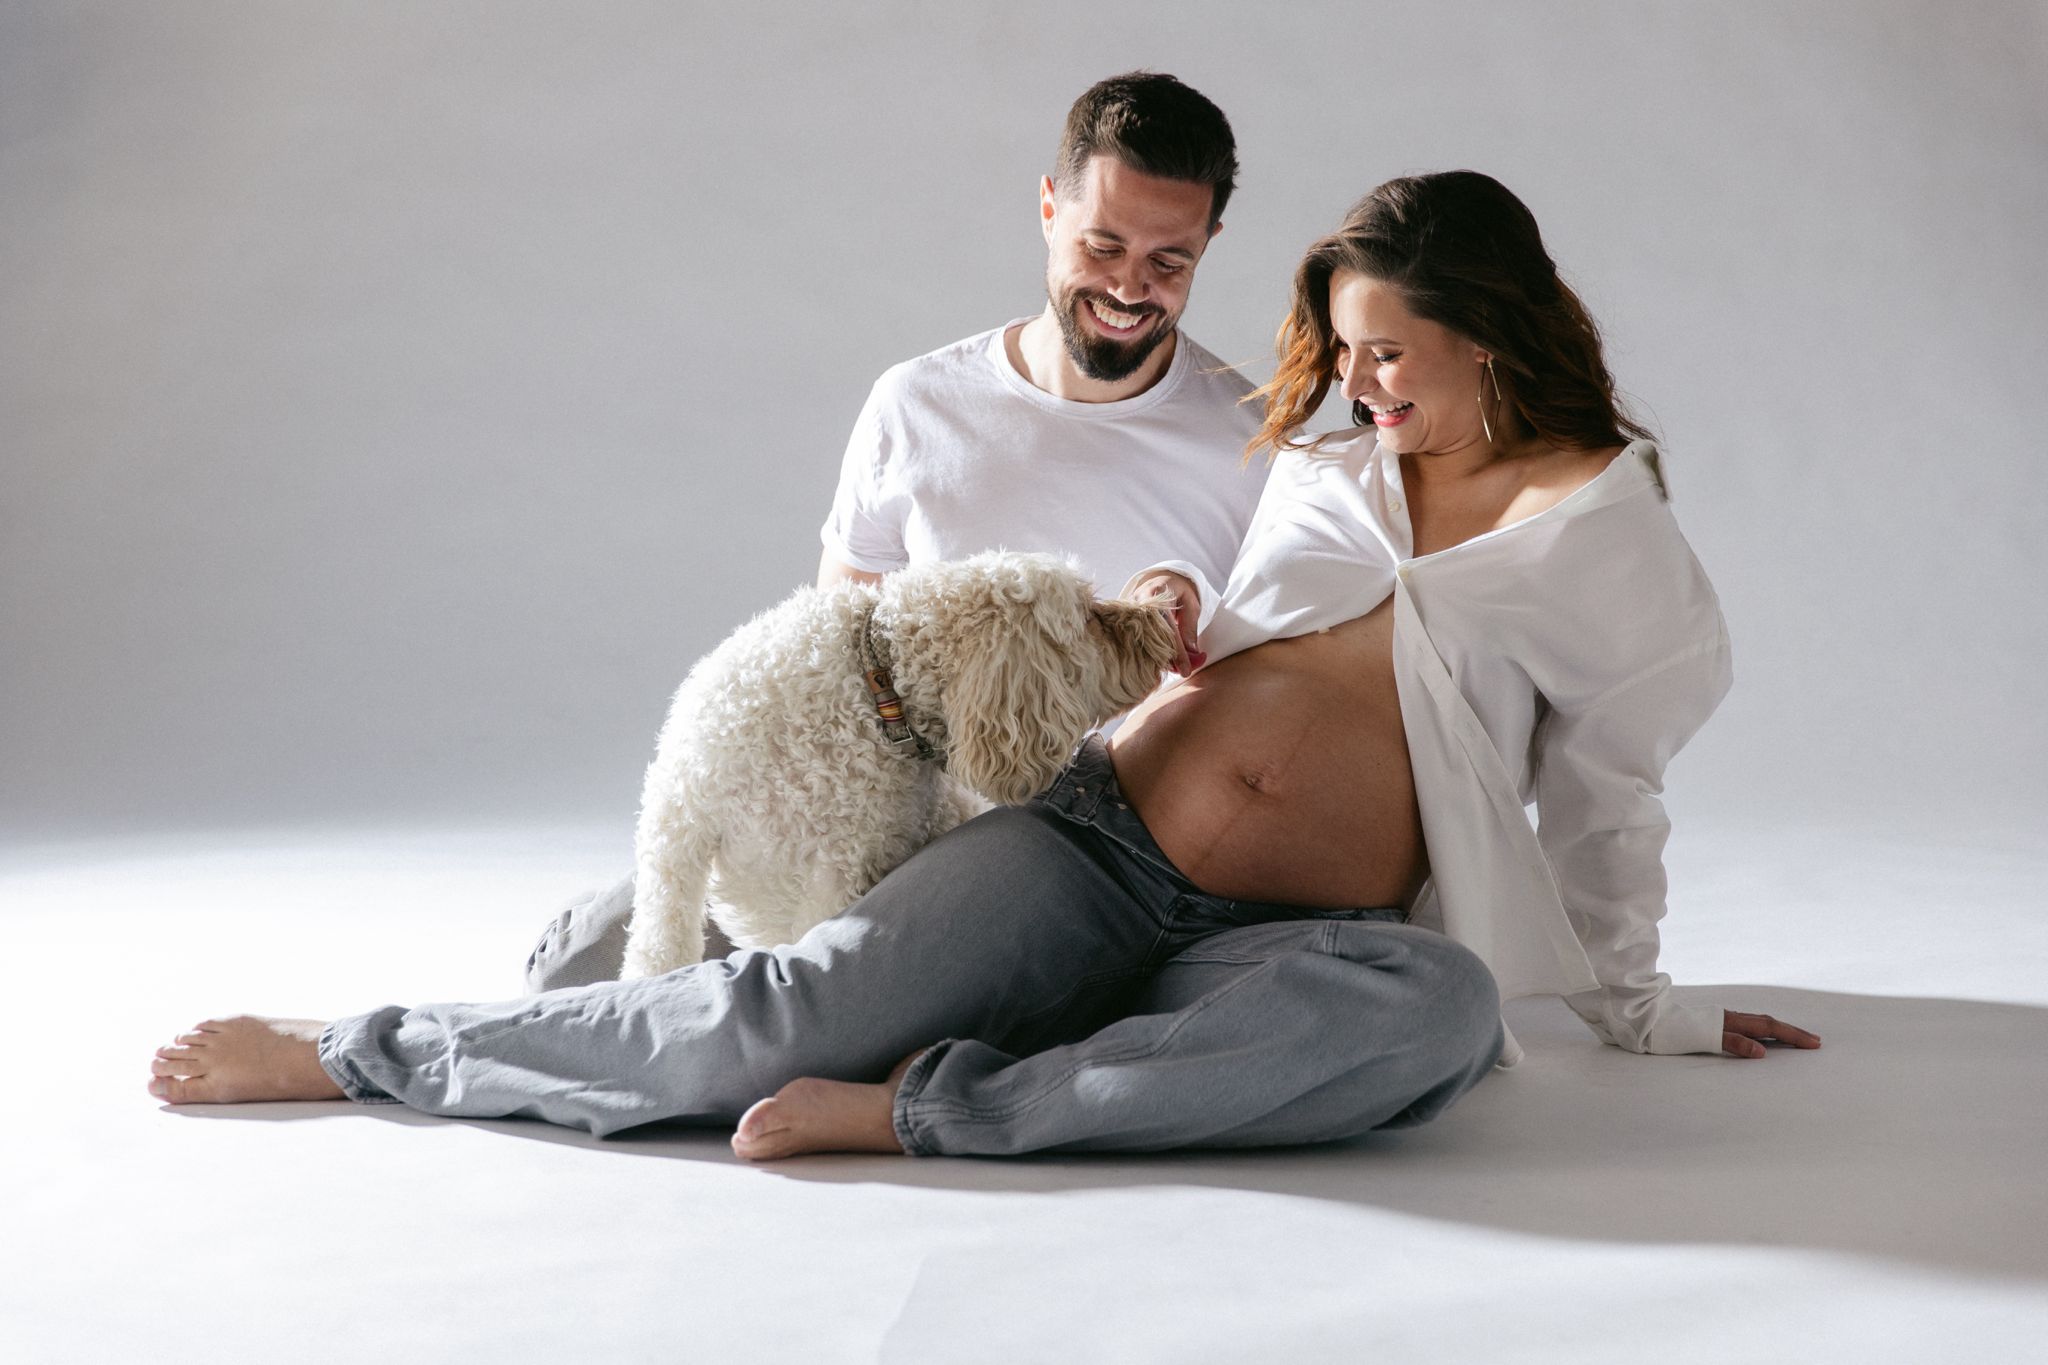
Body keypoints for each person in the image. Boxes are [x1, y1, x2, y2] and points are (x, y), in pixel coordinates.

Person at [146, 171, 1820, 1158]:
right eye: (1348, 349)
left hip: (1295, 934)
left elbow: (1609, 788)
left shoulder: (1607, 540)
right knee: (774, 1023)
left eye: (1392, 352)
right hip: (1095, 848)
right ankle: (366, 1049)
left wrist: (1640, 1004)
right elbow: (1226, 634)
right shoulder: (1327, 468)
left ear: (1495, 328)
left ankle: (924, 1108)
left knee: (1434, 1025)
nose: (1360, 382)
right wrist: (1171, 604)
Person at [525, 70, 1270, 987]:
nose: (1128, 287)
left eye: (1169, 262)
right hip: (892, 822)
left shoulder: (1250, 442)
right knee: (581, 965)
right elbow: (839, 654)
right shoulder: (916, 404)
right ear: (1048, 206)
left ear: (1210, 245)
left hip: (1099, 849)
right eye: (1103, 244)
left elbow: (1256, 703)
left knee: (829, 992)